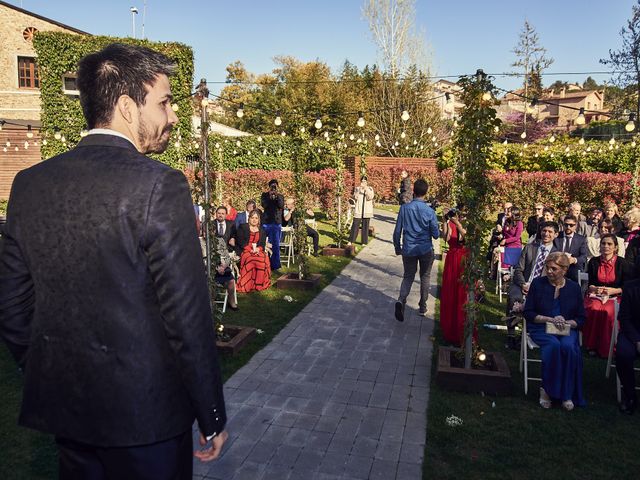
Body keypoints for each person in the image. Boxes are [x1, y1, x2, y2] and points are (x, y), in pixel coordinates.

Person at [0, 44, 227, 479]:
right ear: (126, 106)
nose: (173, 116)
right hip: (150, 423)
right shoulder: (160, 185)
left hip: (70, 417)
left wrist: (54, 369)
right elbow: (187, 316)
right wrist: (211, 413)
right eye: (164, 102)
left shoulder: (28, 184)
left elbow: (11, 306)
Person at [523, 252, 586, 410]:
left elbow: (581, 318)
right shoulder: (538, 284)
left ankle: (567, 393)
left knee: (569, 347)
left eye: (554, 269)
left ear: (564, 270)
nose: (549, 271)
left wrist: (567, 322)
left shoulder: (574, 288)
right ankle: (546, 390)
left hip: (566, 329)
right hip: (541, 326)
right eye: (547, 268)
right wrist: (549, 319)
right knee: (553, 346)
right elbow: (528, 312)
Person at [505, 221, 559, 349]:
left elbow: (555, 278)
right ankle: (511, 334)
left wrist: (535, 288)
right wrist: (523, 284)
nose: (546, 234)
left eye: (550, 232)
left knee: (537, 302)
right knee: (514, 296)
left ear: (556, 235)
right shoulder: (530, 247)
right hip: (523, 283)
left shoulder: (557, 254)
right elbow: (518, 269)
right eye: (544, 231)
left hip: (542, 288)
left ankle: (527, 334)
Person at [393, 179, 439, 321]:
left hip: (409, 248)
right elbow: (436, 235)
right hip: (425, 249)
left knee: (408, 276)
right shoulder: (430, 211)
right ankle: (422, 306)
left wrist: (397, 247)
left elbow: (397, 232)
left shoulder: (404, 209)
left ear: (413, 191)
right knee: (425, 277)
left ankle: (401, 300)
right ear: (426, 193)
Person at [582, 234, 632, 357]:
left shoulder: (623, 263)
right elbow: (590, 283)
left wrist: (612, 291)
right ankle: (591, 344)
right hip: (596, 295)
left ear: (615, 247)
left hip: (616, 296)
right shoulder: (594, 261)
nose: (606, 246)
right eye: (603, 243)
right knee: (593, 308)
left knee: (607, 311)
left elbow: (628, 286)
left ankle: (607, 348)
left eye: (609, 244)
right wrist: (594, 288)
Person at [440, 206, 471, 346]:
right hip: (452, 259)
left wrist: (458, 224)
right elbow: (446, 238)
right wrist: (445, 222)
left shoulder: (469, 223)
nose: (461, 215)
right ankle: (449, 329)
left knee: (462, 294)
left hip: (464, 260)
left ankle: (462, 330)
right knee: (450, 293)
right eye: (459, 213)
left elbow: (467, 239)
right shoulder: (452, 222)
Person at [614, 277, 640, 414]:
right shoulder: (630, 287)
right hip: (632, 332)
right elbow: (624, 318)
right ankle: (630, 396)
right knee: (623, 354)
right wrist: (637, 340)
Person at [235, 210, 271, 293]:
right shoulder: (243, 227)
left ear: (259, 220)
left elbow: (262, 244)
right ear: (249, 219)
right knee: (250, 259)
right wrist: (250, 250)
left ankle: (258, 285)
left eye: (256, 218)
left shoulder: (261, 230)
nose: (254, 220)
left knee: (263, 259)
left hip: (257, 251)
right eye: (252, 218)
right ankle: (247, 285)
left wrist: (258, 249)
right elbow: (241, 241)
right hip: (245, 250)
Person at [553, 214, 587, 282]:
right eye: (566, 225)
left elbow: (584, 257)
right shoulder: (556, 237)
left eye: (571, 225)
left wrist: (574, 260)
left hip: (573, 268)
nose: (568, 227)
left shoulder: (581, 239)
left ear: (576, 226)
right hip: (558, 266)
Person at [260, 179, 285, 271]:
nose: (273, 188)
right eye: (272, 186)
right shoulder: (264, 195)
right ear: (269, 187)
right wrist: (269, 196)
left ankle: (275, 265)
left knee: (275, 244)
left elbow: (281, 206)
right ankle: (264, 262)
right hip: (266, 222)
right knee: (264, 243)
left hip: (276, 222)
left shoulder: (280, 196)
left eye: (275, 186)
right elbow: (264, 205)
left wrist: (277, 196)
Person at [349, 177, 375, 245]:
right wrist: (359, 190)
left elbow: (370, 197)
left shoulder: (370, 188)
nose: (363, 182)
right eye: (362, 181)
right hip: (359, 209)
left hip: (367, 210)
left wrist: (366, 189)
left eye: (364, 181)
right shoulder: (357, 188)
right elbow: (355, 197)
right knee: (355, 225)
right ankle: (351, 241)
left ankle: (364, 242)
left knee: (365, 226)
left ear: (366, 182)